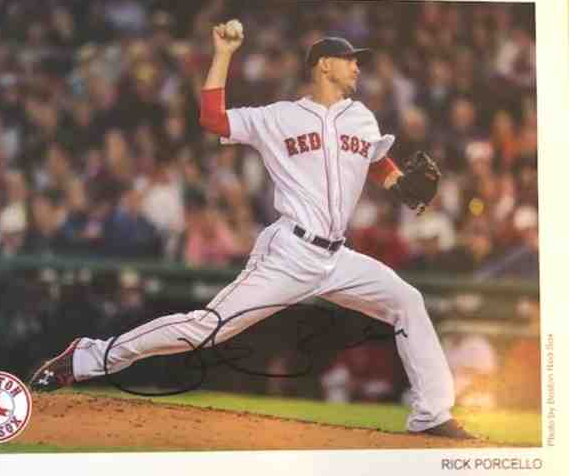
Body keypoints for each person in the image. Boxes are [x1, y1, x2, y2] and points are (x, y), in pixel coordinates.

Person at [30, 22, 471, 439]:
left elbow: (375, 160)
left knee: (407, 301)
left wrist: (400, 184)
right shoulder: (279, 117)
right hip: (289, 253)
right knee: (205, 329)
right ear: (324, 65)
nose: (357, 66)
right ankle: (85, 357)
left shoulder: (362, 118)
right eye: (349, 58)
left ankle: (431, 414)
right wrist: (223, 54)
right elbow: (213, 119)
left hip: (337, 258)